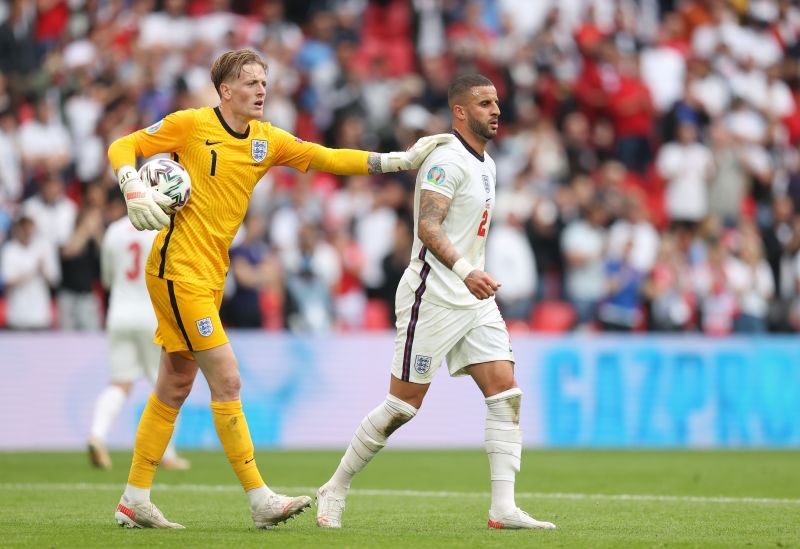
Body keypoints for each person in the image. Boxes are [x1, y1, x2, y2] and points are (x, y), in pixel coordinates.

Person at [106, 48, 452, 530]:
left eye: (264, 82)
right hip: (176, 271)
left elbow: (324, 156)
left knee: (175, 383)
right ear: (225, 91)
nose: (261, 90)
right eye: (250, 83)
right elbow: (123, 146)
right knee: (226, 378)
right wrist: (131, 183)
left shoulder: (266, 141)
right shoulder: (190, 125)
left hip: (210, 274)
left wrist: (397, 160)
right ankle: (258, 497)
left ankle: (133, 498)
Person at [315, 74, 557, 531]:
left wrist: (472, 279)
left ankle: (503, 508)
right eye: (485, 103)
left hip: (473, 299)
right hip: (435, 295)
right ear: (460, 111)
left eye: (497, 102)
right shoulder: (445, 161)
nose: (496, 110)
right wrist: (468, 273)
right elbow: (428, 227)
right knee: (402, 406)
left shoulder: (487, 162)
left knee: (506, 393)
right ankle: (336, 486)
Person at [87, 211, 189, 471]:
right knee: (170, 385)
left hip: (119, 314)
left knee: (119, 384)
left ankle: (97, 435)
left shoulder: (114, 230)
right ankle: (167, 452)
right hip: (153, 315)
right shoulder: (164, 226)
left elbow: (108, 279)